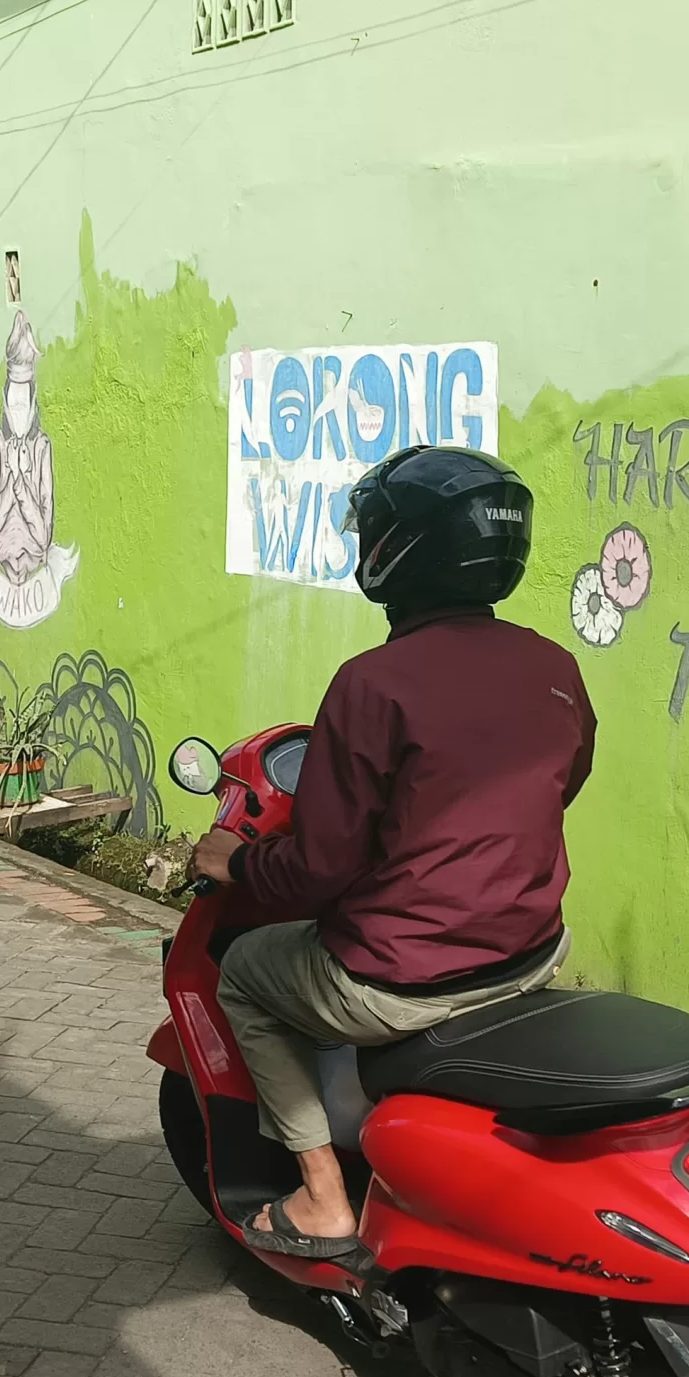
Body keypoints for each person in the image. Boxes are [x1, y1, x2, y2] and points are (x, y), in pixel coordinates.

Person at [190, 446, 595, 1259]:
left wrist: (233, 864)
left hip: (399, 980)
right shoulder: (555, 667)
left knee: (244, 975)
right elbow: (559, 786)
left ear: (398, 550)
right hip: (529, 954)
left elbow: (319, 871)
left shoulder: (372, 685)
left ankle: (321, 1199)